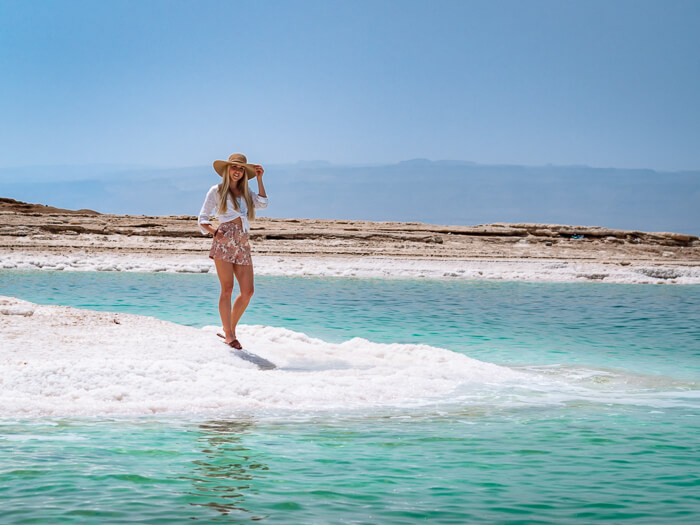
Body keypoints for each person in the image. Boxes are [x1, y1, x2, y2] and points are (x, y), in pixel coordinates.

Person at [198, 153, 268, 349]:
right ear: (227, 169)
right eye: (234, 167)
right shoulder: (217, 190)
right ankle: (229, 334)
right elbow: (202, 218)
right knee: (227, 289)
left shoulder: (247, 192)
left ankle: (228, 327)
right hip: (224, 240)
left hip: (243, 241)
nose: (237, 171)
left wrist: (260, 179)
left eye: (240, 169)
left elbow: (263, 204)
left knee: (248, 291)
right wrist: (214, 231)